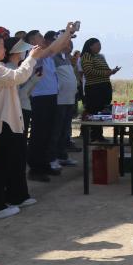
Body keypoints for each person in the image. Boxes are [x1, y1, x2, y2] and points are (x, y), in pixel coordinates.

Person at [0, 28, 73, 220]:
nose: (4, 51)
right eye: (1, 47)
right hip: (2, 121)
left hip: (8, 120)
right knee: (3, 164)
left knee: (8, 162)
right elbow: (18, 78)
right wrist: (31, 59)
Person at [25, 31, 63, 181]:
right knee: (39, 134)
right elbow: (53, 48)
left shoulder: (47, 55)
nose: (43, 39)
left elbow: (57, 48)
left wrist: (68, 34)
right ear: (32, 41)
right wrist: (67, 32)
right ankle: (35, 169)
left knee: (48, 133)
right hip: (39, 98)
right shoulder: (34, 53)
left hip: (51, 96)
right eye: (39, 36)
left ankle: (44, 164)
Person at [79, 38, 120, 145]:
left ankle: (100, 135)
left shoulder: (100, 56)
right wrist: (106, 73)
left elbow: (105, 70)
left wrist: (112, 71)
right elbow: (88, 71)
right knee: (94, 111)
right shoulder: (86, 56)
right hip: (94, 88)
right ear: (90, 46)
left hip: (104, 86)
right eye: (97, 45)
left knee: (102, 111)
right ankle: (94, 136)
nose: (99, 47)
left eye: (100, 44)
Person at [50, 32, 80, 168]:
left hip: (69, 100)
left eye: (70, 43)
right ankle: (52, 157)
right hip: (59, 101)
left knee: (65, 131)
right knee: (56, 131)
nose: (70, 45)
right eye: (67, 42)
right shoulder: (53, 58)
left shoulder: (66, 58)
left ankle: (62, 156)